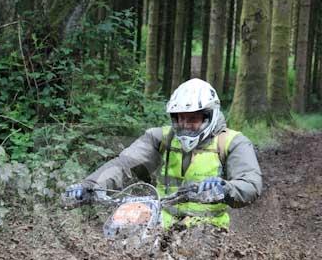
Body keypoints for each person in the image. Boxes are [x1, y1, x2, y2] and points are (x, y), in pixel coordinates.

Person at [64, 78, 262, 230]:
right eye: (180, 119)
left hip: (208, 228)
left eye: (192, 119)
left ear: (209, 116)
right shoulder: (161, 137)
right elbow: (124, 165)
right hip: (162, 218)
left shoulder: (233, 142)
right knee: (122, 221)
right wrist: (90, 186)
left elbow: (250, 184)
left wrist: (224, 189)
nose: (185, 126)